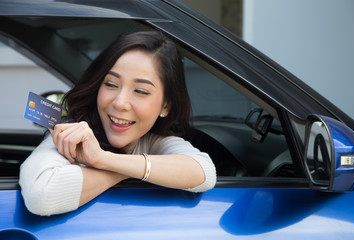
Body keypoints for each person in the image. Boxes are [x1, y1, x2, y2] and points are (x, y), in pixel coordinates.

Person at [19, 31, 216, 216]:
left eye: (140, 91)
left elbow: (204, 171)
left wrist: (102, 160)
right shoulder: (71, 134)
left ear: (165, 106)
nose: (120, 103)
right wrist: (124, 171)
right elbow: (41, 196)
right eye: (111, 84)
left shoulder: (154, 142)